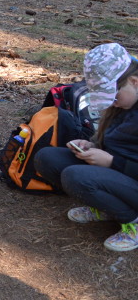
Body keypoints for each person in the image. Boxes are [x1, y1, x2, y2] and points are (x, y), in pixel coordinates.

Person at [35, 43, 138, 253]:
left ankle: (133, 222)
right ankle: (109, 208)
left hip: (129, 175)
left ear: (134, 82)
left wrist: (111, 162)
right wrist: (92, 145)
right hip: (119, 174)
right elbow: (116, 141)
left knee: (76, 177)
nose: (113, 103)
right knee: (47, 158)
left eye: (114, 96)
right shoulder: (124, 105)